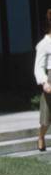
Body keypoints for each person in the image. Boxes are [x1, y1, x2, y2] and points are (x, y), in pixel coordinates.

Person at [34, 9, 51, 152]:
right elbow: (38, 66)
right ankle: (41, 136)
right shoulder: (44, 44)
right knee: (46, 119)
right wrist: (45, 82)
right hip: (50, 81)